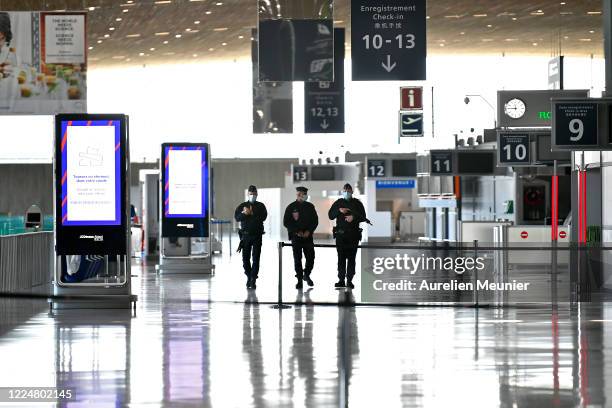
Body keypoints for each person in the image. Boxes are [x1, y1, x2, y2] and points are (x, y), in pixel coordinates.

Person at [328, 183, 367, 289]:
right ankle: (341, 280)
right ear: (342, 191)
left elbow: (363, 217)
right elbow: (330, 216)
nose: (347, 192)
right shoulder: (338, 203)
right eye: (345, 190)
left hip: (353, 235)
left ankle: (349, 280)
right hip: (341, 235)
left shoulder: (357, 203)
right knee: (341, 258)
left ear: (352, 191)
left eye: (348, 191)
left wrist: (353, 217)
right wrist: (339, 211)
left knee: (351, 258)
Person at [283, 186, 318, 289]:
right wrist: (296, 231)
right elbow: (286, 222)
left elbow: (315, 221)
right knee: (297, 259)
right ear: (297, 194)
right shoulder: (291, 207)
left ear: (305, 195)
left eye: (303, 194)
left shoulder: (310, 206)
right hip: (296, 237)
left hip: (308, 237)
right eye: (299, 194)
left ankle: (306, 274)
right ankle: (299, 280)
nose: (300, 195)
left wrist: (309, 231)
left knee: (311, 258)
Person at [235, 185, 268, 289]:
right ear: (247, 194)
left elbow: (263, 217)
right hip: (245, 236)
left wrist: (252, 213)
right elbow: (237, 218)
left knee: (256, 258)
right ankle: (249, 276)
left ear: (257, 194)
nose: (252, 196)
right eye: (250, 194)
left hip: (257, 235)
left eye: (254, 194)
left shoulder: (261, 206)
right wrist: (245, 213)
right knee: (245, 259)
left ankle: (253, 279)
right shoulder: (242, 206)